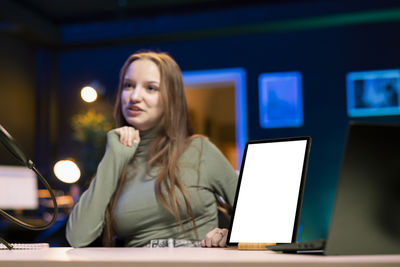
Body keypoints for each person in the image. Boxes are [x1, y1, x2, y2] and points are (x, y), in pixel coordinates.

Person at [66, 51, 238, 248]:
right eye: (128, 85)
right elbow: (77, 237)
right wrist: (113, 158)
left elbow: (258, 217)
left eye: (151, 88)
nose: (135, 96)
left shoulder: (200, 150)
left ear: (170, 98)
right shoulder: (117, 160)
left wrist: (229, 235)